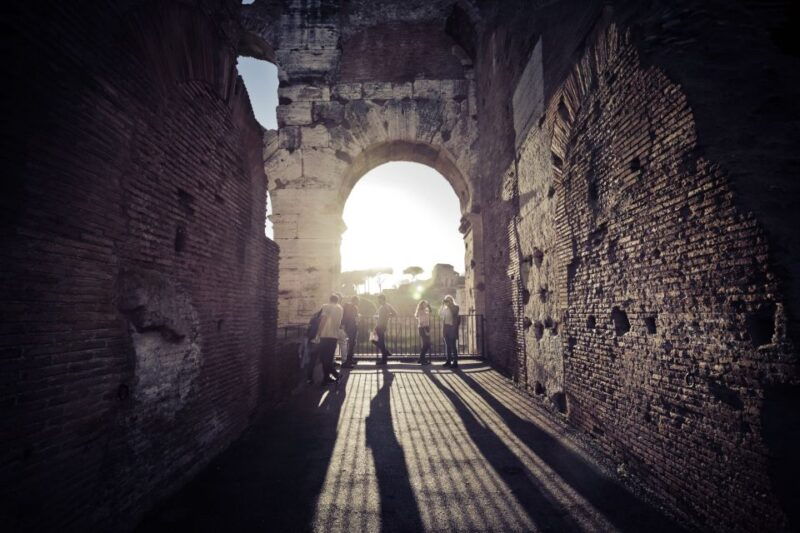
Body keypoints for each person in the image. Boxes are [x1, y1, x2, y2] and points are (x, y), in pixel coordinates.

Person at [313, 294, 344, 385]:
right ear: (337, 301)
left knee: (323, 358)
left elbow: (323, 320)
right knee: (329, 358)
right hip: (334, 336)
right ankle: (326, 378)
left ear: (329, 300)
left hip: (325, 335)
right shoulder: (340, 309)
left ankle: (335, 374)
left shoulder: (326, 306)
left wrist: (318, 333)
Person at [373, 294, 396, 365]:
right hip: (380, 326)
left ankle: (384, 358)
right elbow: (394, 313)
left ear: (383, 299)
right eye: (378, 299)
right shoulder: (385, 306)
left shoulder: (385, 306)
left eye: (380, 299)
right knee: (375, 340)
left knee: (378, 341)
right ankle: (385, 353)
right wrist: (386, 316)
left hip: (381, 326)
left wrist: (387, 316)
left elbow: (394, 313)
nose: (379, 300)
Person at [439, 295, 460, 368]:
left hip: (452, 328)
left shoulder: (456, 307)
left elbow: (455, 313)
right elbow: (440, 314)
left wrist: (449, 305)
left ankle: (455, 362)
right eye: (446, 300)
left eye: (448, 300)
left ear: (451, 300)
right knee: (447, 346)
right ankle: (448, 361)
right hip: (446, 328)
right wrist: (442, 305)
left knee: (453, 346)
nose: (447, 301)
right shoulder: (445, 308)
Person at [341, 295, 360, 368]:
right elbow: (349, 316)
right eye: (357, 301)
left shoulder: (349, 306)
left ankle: (350, 359)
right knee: (351, 343)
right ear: (354, 300)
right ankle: (348, 361)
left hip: (351, 326)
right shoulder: (351, 306)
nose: (358, 302)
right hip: (351, 327)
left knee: (352, 343)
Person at [415, 300, 432, 365]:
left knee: (426, 344)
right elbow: (421, 322)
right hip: (423, 328)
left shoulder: (426, 310)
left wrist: (428, 305)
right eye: (424, 304)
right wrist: (426, 331)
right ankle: (422, 359)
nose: (425, 305)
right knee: (426, 344)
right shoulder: (420, 311)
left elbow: (430, 312)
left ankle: (421, 359)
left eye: (425, 304)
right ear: (421, 305)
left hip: (426, 327)